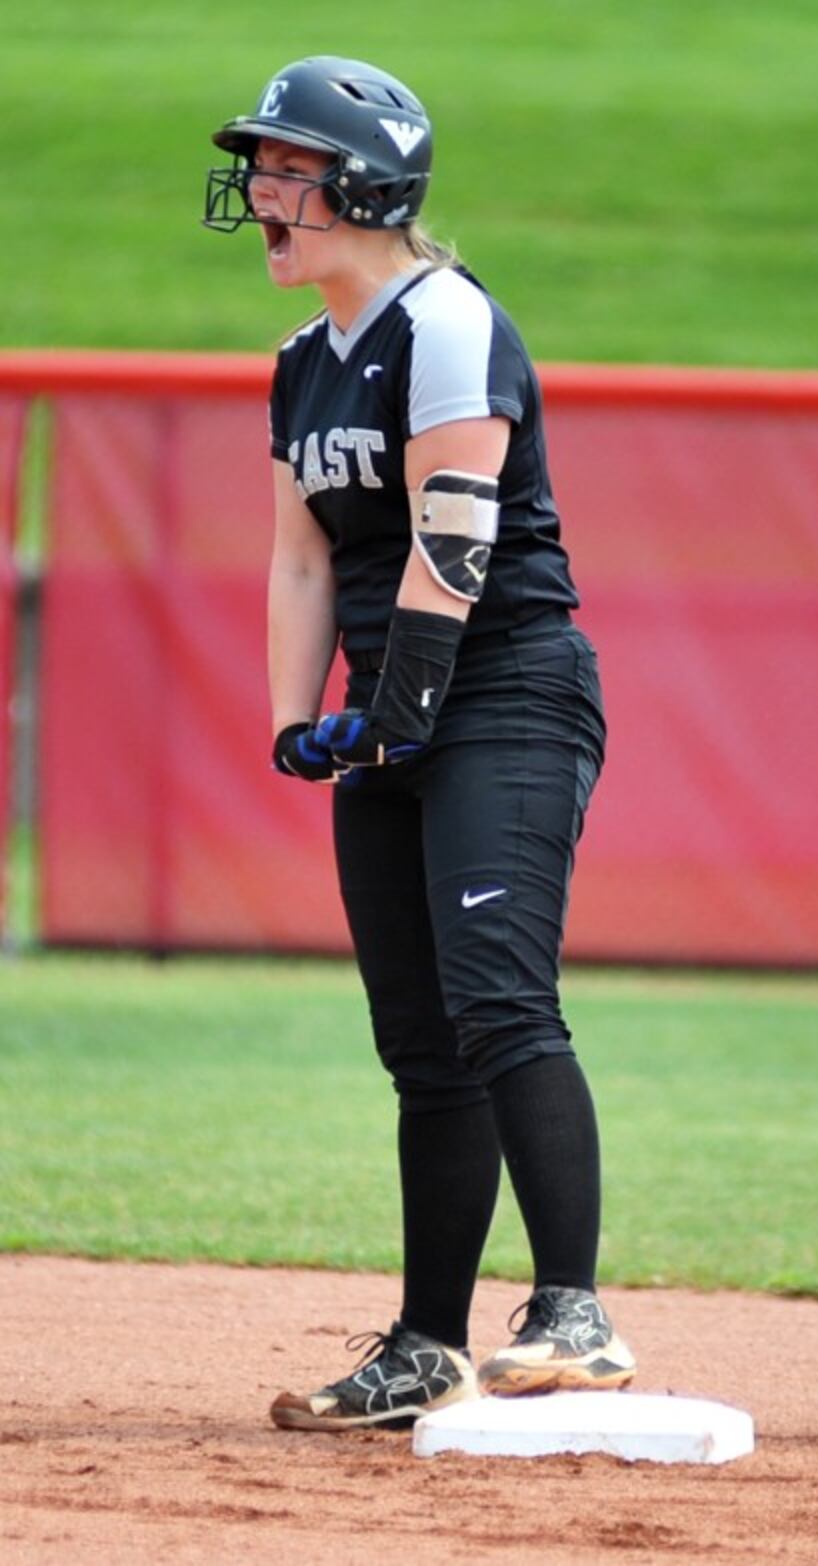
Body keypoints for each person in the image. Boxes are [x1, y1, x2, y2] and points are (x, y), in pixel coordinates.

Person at [204, 55, 634, 1431]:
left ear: (369, 182)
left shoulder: (444, 318)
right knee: (421, 1046)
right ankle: (426, 1343)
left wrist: (405, 701)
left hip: (502, 682)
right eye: (260, 167)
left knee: (502, 998)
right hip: (400, 703)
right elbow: (299, 562)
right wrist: (293, 713)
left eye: (290, 168)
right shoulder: (300, 363)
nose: (263, 191)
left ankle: (573, 1309)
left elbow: (459, 533)